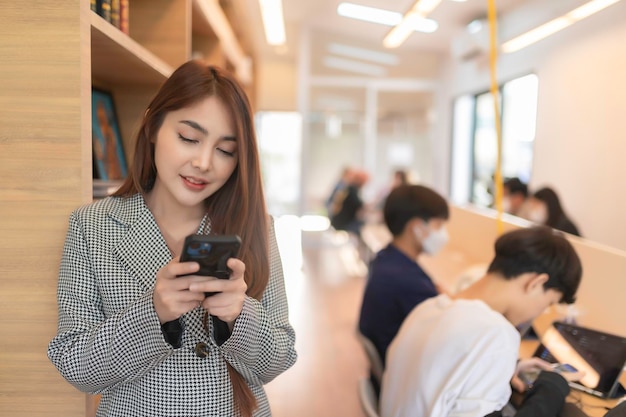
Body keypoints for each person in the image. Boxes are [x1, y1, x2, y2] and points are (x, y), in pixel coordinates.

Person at [47, 61, 297, 417]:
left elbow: (279, 359)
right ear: (152, 126)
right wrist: (152, 314)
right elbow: (73, 362)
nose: (204, 162)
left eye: (226, 150)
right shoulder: (92, 227)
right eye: (189, 138)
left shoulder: (256, 226)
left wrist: (241, 315)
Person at [380, 226, 584, 417]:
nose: (539, 312)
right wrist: (553, 386)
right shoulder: (497, 334)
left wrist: (507, 367)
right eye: (548, 303)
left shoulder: (428, 308)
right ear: (536, 283)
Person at [358, 184, 450, 371]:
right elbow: (450, 334)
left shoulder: (387, 258)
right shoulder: (406, 281)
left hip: (394, 367)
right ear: (417, 228)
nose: (443, 234)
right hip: (408, 372)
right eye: (438, 225)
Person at [329, 169, 369, 236]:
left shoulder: (347, 188)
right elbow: (359, 204)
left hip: (338, 222)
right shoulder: (352, 190)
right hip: (343, 224)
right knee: (364, 227)